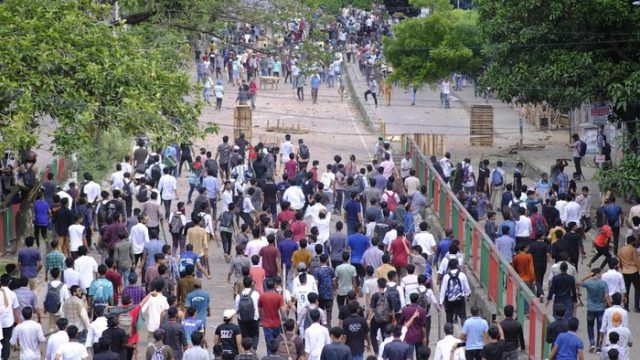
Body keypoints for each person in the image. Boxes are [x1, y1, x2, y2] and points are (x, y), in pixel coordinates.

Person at [578, 268, 610, 352]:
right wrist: (610, 306)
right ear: (598, 273)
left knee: (590, 326)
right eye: (600, 273)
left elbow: (578, 282)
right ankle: (599, 346)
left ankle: (592, 343)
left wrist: (588, 276)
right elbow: (606, 296)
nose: (601, 275)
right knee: (601, 328)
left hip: (590, 308)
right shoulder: (603, 283)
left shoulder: (588, 282)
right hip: (601, 308)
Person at [439, 259, 470, 325]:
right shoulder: (462, 275)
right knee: (463, 316)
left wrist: (441, 301)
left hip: (449, 299)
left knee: (449, 316)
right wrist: (467, 295)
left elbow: (443, 289)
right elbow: (467, 287)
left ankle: (449, 332)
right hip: (460, 297)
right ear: (457, 266)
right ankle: (464, 330)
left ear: (449, 267)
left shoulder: (446, 276)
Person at [259, 278, 287, 351]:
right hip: (277, 323)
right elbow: (282, 311)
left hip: (266, 323)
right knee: (277, 343)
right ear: (275, 285)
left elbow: (260, 310)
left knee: (269, 344)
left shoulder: (262, 297)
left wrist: (262, 317)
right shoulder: (279, 297)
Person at [235, 277, 260, 352]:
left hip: (242, 319)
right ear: (251, 283)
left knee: (245, 335)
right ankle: (254, 349)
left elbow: (236, 309)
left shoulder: (239, 295)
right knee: (255, 334)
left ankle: (246, 350)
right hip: (254, 318)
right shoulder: (256, 294)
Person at [617, 235, 640, 311]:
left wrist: (622, 268)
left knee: (626, 289)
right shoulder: (633, 249)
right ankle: (636, 307)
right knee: (637, 289)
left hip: (625, 272)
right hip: (633, 271)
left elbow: (620, 262)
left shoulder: (621, 249)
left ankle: (626, 306)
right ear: (632, 242)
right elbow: (636, 262)